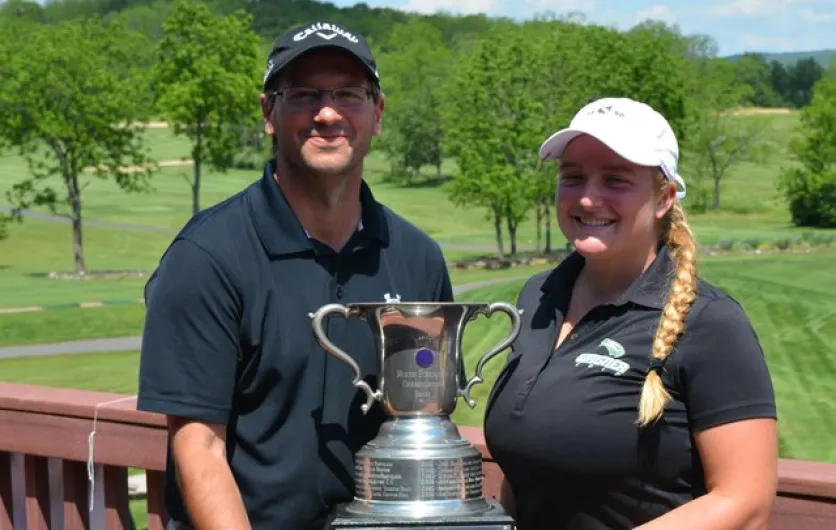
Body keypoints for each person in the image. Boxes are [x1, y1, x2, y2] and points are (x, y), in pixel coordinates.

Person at [136, 21, 453, 530]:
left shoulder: (417, 258)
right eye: (304, 95)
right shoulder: (207, 256)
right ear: (269, 113)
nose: (327, 114)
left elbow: (425, 424)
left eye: (348, 94)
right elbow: (200, 447)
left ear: (378, 113)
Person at [483, 97, 778, 529]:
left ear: (664, 199)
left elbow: (745, 502)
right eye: (573, 177)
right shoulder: (539, 295)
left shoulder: (710, 323)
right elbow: (530, 466)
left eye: (616, 179)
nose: (588, 197)